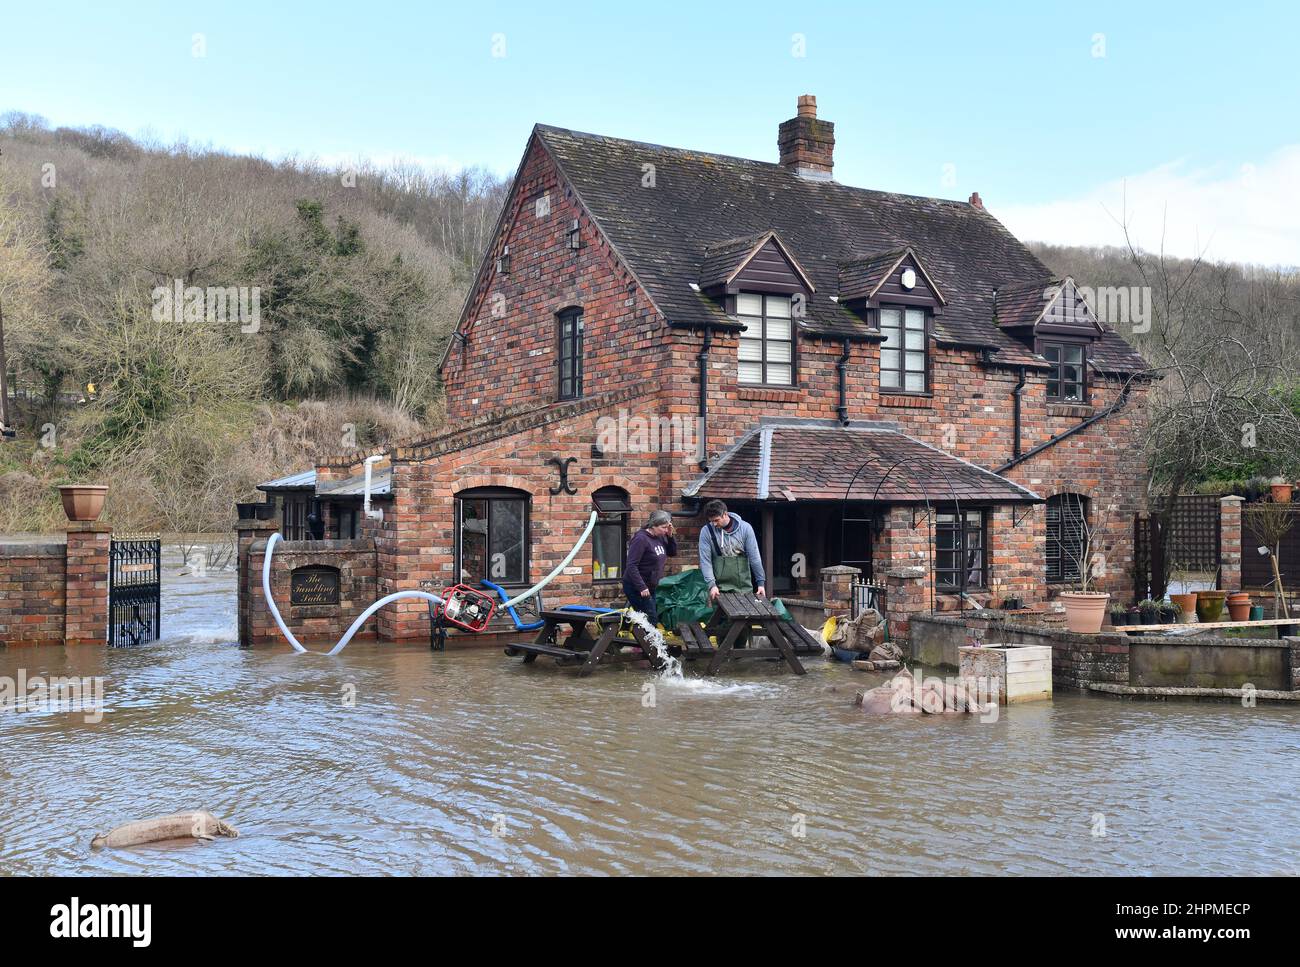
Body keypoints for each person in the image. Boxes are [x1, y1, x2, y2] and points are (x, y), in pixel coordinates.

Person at [698, 500, 766, 603]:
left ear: (725, 514)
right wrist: (712, 585)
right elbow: (705, 561)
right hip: (718, 588)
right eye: (712, 521)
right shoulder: (706, 531)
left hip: (743, 586)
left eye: (717, 520)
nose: (714, 524)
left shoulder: (745, 529)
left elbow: (755, 558)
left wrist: (760, 583)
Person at [623, 510, 677, 625]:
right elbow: (631, 565)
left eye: (667, 527)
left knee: (647, 619)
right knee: (649, 620)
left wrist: (670, 536)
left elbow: (672, 552)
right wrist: (641, 587)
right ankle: (647, 643)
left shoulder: (661, 536)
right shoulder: (641, 539)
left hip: (650, 586)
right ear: (653, 525)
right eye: (663, 527)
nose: (665, 530)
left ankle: (644, 642)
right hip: (636, 587)